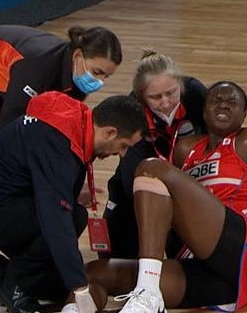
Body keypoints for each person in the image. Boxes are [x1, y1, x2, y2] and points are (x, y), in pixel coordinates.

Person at [83, 81, 247, 313]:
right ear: (203, 111)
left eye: (232, 101)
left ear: (244, 113)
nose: (223, 105)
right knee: (94, 273)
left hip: (246, 249)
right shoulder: (184, 149)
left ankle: (147, 290)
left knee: (151, 168)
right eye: (216, 100)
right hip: (207, 273)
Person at [0, 91, 148, 313]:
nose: (122, 153)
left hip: (3, 200)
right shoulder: (58, 146)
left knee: (55, 286)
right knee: (67, 220)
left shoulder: (76, 118)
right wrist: (80, 288)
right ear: (110, 132)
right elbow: (55, 222)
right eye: (124, 145)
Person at [0, 24, 122, 169]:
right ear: (78, 55)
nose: (99, 81)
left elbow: (56, 132)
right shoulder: (38, 68)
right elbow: (9, 131)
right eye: (97, 72)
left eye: (106, 76)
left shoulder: (77, 77)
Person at [102, 49, 208, 259]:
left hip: (190, 183)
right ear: (142, 96)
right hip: (140, 188)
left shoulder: (196, 95)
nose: (166, 102)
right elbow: (133, 177)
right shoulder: (133, 113)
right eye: (156, 97)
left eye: (171, 92)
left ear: (181, 85)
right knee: (117, 261)